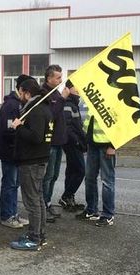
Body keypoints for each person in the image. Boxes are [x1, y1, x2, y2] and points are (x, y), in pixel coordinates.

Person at [9, 78, 53, 250]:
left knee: (32, 201)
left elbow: (36, 137)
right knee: (38, 198)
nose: (19, 96)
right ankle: (39, 233)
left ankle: (34, 238)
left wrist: (19, 127)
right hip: (39, 159)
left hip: (32, 161)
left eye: (20, 93)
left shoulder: (36, 110)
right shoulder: (44, 108)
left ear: (27, 93)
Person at [0, 74, 32, 229]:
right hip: (9, 151)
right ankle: (7, 215)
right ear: (21, 89)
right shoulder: (11, 105)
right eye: (28, 92)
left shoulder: (18, 103)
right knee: (10, 183)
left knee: (15, 184)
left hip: (16, 151)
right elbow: (9, 130)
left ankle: (13, 213)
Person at [41, 65, 70, 222]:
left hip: (59, 142)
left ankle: (48, 201)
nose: (60, 80)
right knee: (48, 175)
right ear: (49, 78)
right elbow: (50, 115)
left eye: (61, 77)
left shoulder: (56, 93)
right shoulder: (45, 94)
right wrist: (62, 99)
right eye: (58, 77)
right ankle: (43, 206)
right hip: (50, 143)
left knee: (54, 175)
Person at [77, 115, 116, 227]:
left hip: (106, 145)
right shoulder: (96, 98)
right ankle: (91, 210)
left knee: (107, 181)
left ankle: (108, 215)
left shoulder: (112, 99)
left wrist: (113, 146)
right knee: (89, 178)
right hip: (92, 144)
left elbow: (120, 124)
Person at [58, 80, 87, 212]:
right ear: (68, 89)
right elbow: (68, 127)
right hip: (72, 144)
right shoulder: (68, 104)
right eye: (76, 87)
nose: (79, 90)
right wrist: (76, 141)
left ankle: (69, 199)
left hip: (75, 143)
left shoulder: (73, 104)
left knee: (71, 171)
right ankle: (66, 196)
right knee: (80, 170)